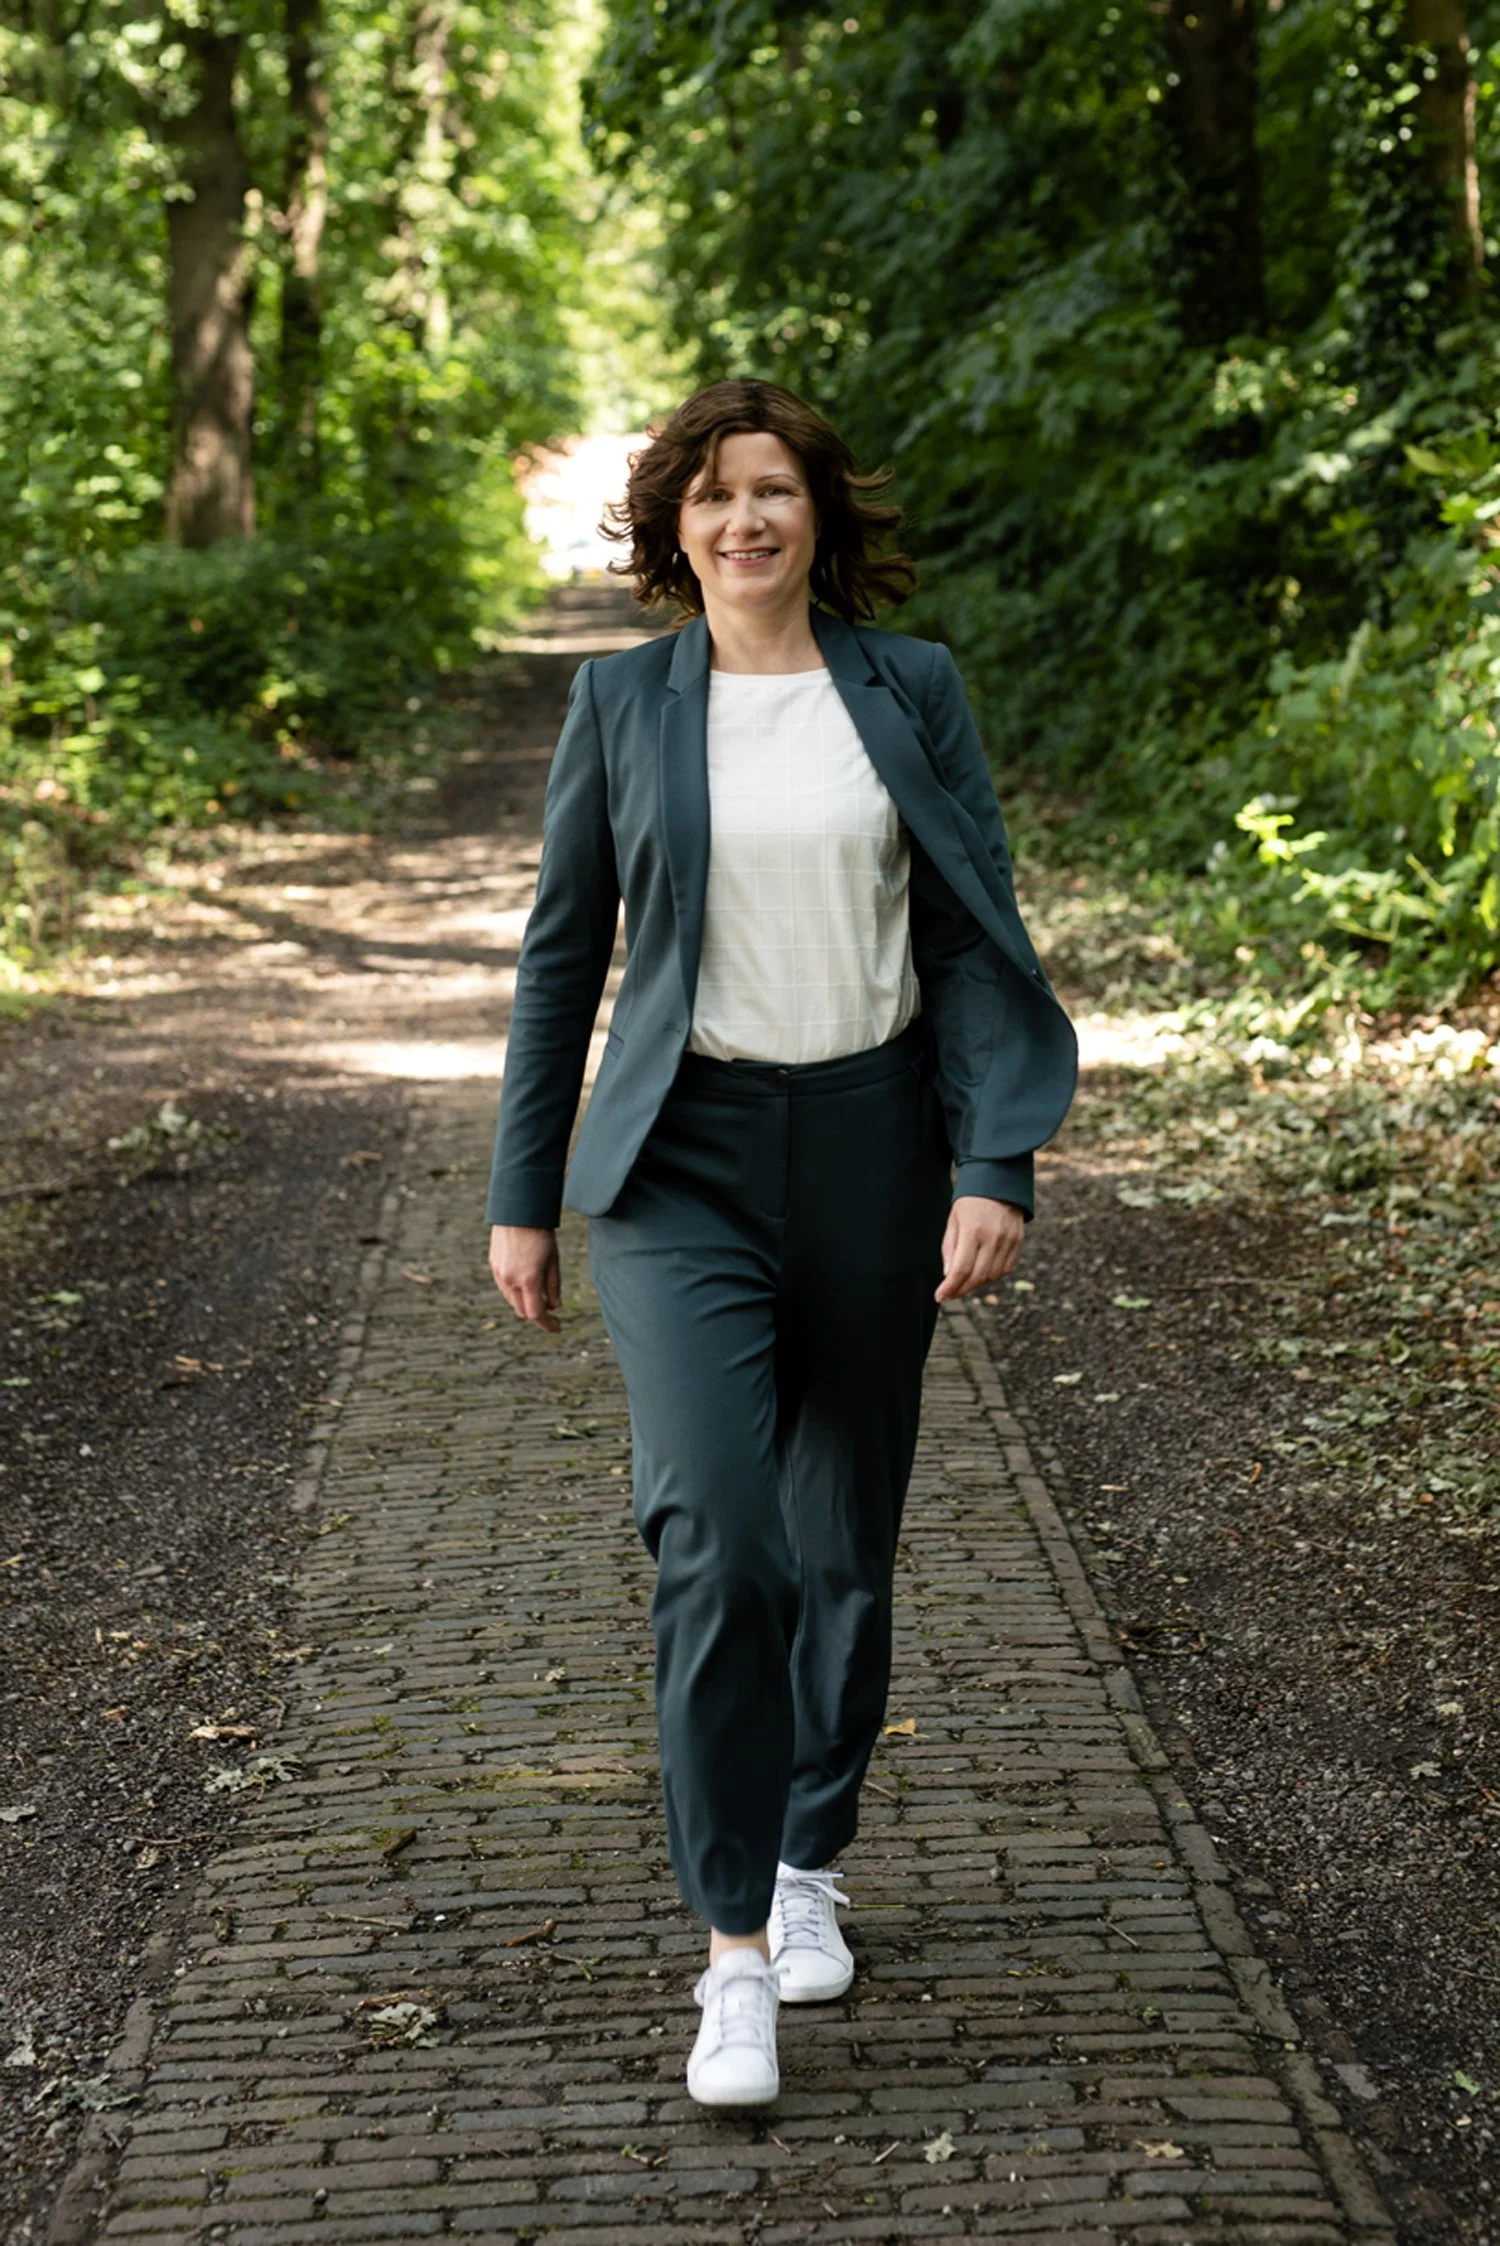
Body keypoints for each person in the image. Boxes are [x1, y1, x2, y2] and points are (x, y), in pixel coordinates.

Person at [487, 378, 1076, 2109]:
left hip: (881, 1151)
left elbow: (975, 938)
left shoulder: (909, 686)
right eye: (714, 495)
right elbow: (560, 957)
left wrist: (997, 1160)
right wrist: (526, 1192)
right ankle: (732, 1944)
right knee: (717, 1534)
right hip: (685, 1161)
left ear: (820, 513)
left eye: (776, 491)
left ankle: (813, 1854)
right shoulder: (619, 702)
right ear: (672, 526)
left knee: (842, 1542)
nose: (746, 520)